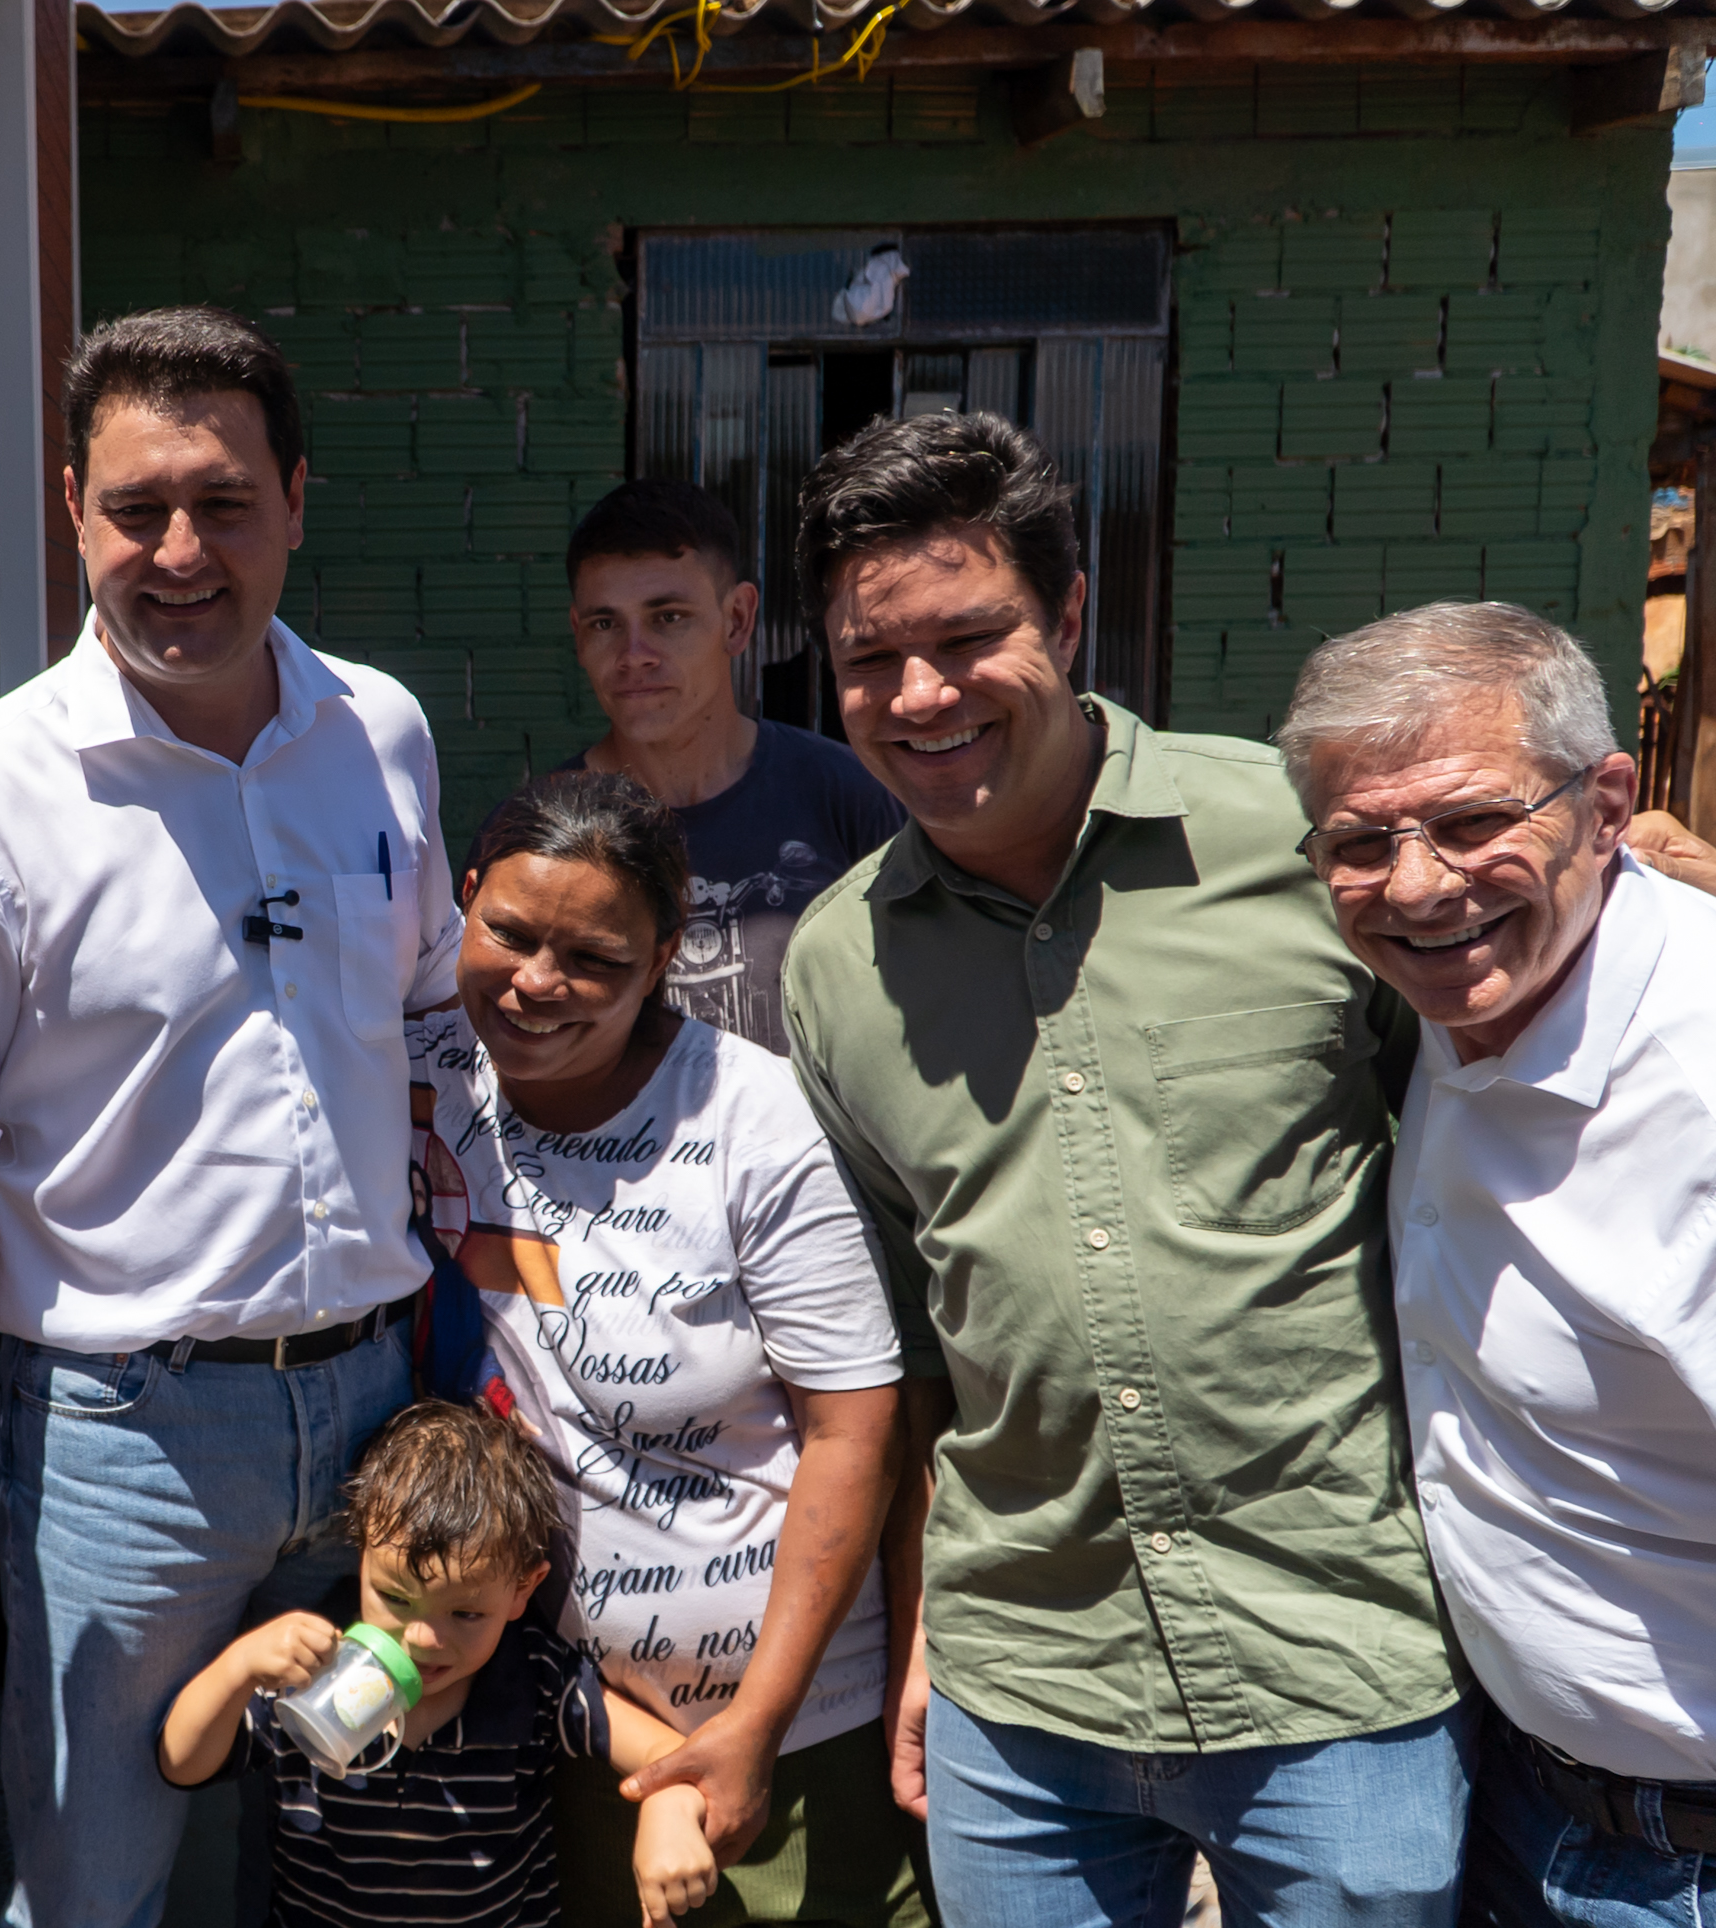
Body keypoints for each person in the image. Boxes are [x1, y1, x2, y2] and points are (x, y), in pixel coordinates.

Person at [768, 412, 1467, 1926]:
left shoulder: (1297, 840)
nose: (920, 695)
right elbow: (920, 1356)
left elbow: (1487, 1150)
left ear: (1070, 615)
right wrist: (927, 1643)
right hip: (1026, 1694)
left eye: (970, 637)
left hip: (1339, 1654)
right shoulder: (835, 969)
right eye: (871, 659)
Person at [0, 305, 463, 1927]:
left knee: (344, 1875)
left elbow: (435, 1033)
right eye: (136, 509)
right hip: (126, 1449)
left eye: (224, 502)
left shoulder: (380, 738)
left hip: (374, 1418)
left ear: (299, 502)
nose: (180, 551)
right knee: (97, 1892)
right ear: (72, 510)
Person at [411, 771, 928, 1927]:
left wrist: (757, 1724)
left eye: (594, 957)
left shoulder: (755, 1121)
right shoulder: (422, 1074)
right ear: (467, 898)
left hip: (788, 1738)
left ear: (661, 960)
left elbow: (857, 1429)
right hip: (551, 1725)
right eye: (510, 933)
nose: (539, 982)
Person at [1280, 604, 1716, 1928]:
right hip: (1511, 1806)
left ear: (1605, 805)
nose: (1415, 885)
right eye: (1360, 843)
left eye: (1470, 824)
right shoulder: (1462, 1006)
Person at [160, 1402, 720, 1928]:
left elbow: (667, 1755)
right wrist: (239, 1667)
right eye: (396, 1599)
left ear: (524, 1590)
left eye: (467, 1613)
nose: (424, 1638)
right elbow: (182, 1763)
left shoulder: (534, 1678)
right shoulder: (312, 1668)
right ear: (359, 1555)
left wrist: (669, 1806)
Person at [552, 479, 902, 1053]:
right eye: (605, 623)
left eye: (667, 617)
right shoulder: (540, 830)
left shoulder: (847, 795)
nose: (634, 654)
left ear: (737, 620)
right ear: (577, 636)